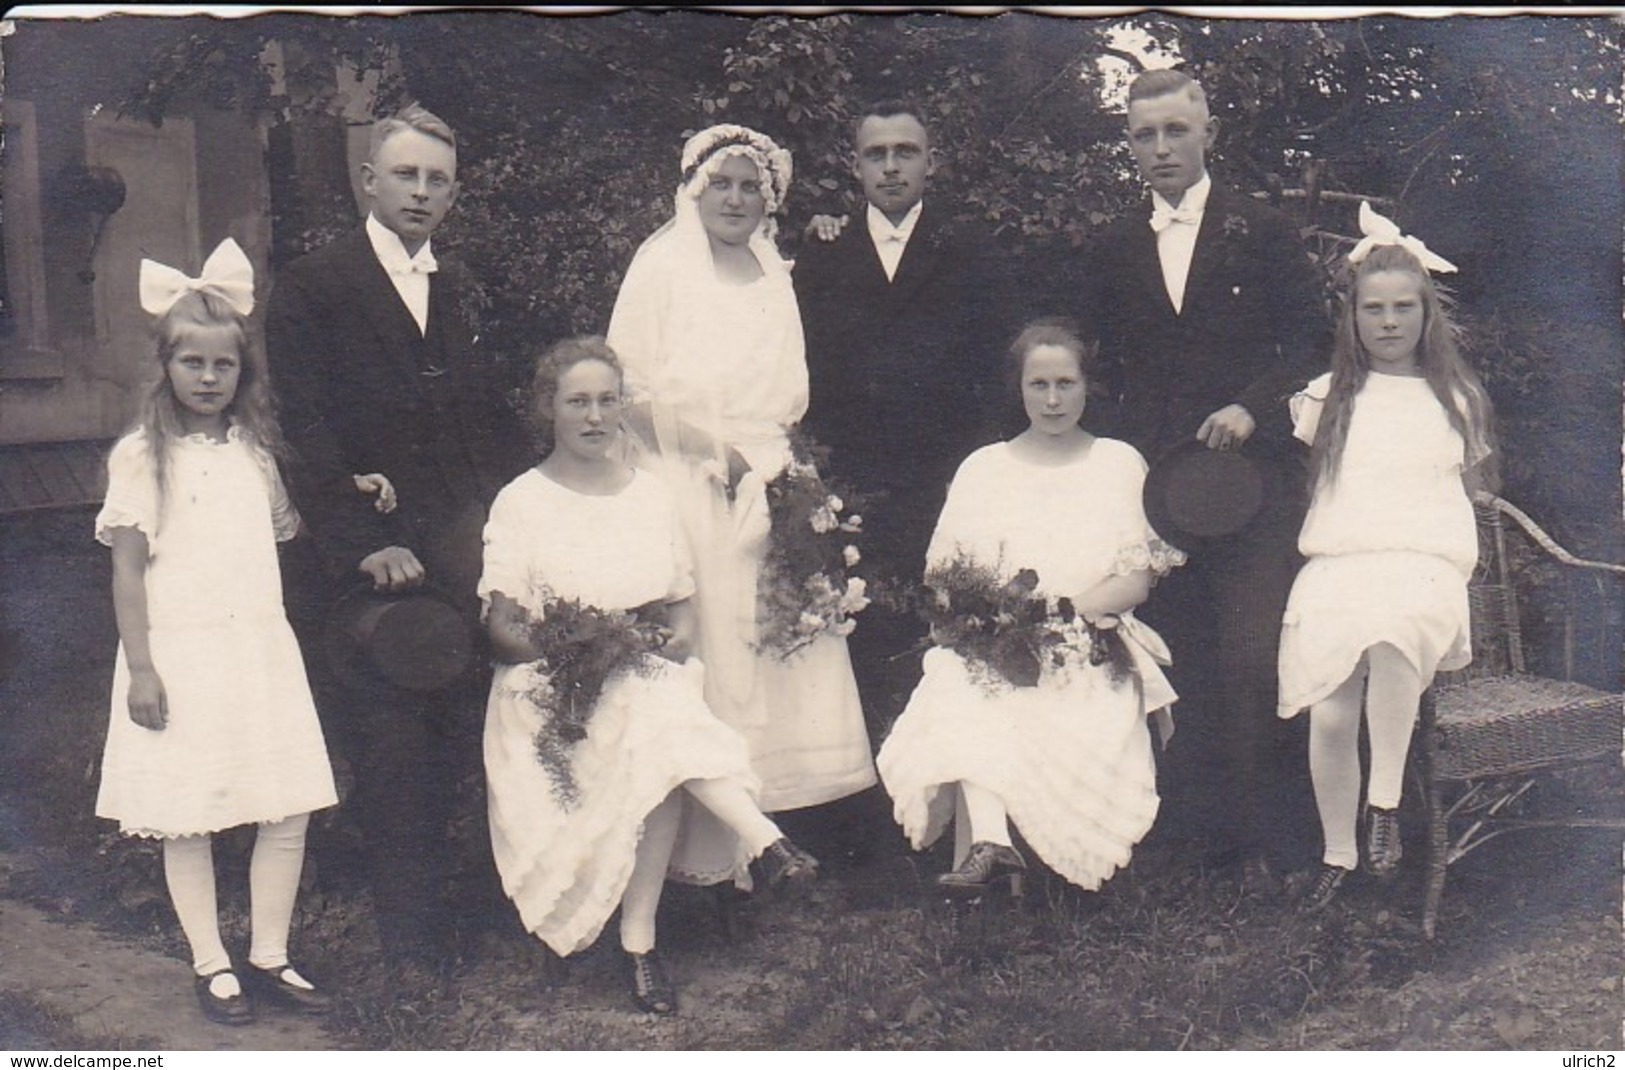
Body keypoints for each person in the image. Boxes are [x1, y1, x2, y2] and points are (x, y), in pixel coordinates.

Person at [480, 337, 819, 1015]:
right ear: (548, 408)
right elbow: (501, 627)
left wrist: (652, 645)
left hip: (639, 679)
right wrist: (578, 653)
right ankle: (763, 843)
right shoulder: (520, 501)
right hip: (553, 689)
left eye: (608, 401)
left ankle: (641, 939)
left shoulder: (650, 496)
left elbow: (682, 612)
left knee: (654, 713)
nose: (595, 416)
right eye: (578, 402)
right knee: (656, 718)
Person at [266, 103, 524, 969]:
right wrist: (355, 540)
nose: (421, 191)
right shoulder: (314, 284)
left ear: (453, 194)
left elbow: (481, 424)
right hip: (366, 557)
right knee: (393, 739)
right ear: (367, 181)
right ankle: (412, 942)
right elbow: (300, 422)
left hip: (456, 544)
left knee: (463, 727)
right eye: (405, 175)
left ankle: (475, 907)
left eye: (437, 179)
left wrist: (503, 522)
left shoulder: (453, 287)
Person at [606, 124, 877, 889]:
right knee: (711, 650)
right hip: (687, 480)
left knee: (782, 642)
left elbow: (789, 393)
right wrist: (712, 453)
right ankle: (707, 857)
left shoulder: (771, 272)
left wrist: (790, 482)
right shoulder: (660, 267)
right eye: (720, 184)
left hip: (770, 477)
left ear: (769, 199)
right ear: (694, 191)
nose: (735, 198)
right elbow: (625, 393)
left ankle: (781, 830)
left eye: (749, 186)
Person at [1080, 69, 1331, 889]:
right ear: (1128, 144)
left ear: (1206, 133)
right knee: (1173, 655)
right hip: (1161, 495)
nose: (1159, 148)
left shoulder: (1261, 232)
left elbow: (1312, 342)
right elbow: (1102, 366)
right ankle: (1188, 835)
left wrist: (1253, 408)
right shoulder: (1112, 246)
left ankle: (1265, 841)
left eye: (1174, 131)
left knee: (1251, 655)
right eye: (1143, 135)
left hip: (1255, 490)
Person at [96, 239, 337, 1025]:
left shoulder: (255, 454)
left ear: (243, 374)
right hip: (181, 652)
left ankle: (270, 952)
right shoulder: (142, 458)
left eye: (222, 365)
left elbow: (278, 539)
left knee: (284, 803)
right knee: (189, 809)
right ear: (165, 367)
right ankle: (211, 960)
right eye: (191, 363)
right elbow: (128, 570)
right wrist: (141, 669)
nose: (207, 378)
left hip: (257, 649)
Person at [876, 321, 1186, 897]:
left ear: (1086, 387)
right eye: (1037, 384)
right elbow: (946, 582)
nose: (1051, 399)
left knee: (992, 693)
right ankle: (993, 844)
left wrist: (1056, 616)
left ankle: (994, 854)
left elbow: (1135, 581)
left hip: (1089, 638)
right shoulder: (983, 468)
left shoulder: (1118, 462)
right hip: (1000, 642)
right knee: (956, 677)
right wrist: (995, 625)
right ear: (1017, 388)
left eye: (1065, 383)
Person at [1278, 207, 1496, 910]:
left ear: (1427, 317)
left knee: (1394, 633)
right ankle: (1339, 853)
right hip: (1342, 565)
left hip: (1422, 564)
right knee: (1333, 711)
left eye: (1404, 308)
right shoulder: (1327, 399)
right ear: (1351, 319)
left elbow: (1458, 494)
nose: (1389, 322)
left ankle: (1384, 803)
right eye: (1374, 309)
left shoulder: (1452, 400)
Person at [792, 101, 1009, 739]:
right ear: (855, 166)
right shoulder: (824, 253)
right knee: (861, 643)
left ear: (929, 162)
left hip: (943, 481)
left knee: (946, 639)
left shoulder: (970, 248)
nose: (891, 167)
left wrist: (973, 475)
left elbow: (996, 369)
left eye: (905, 152)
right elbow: (802, 371)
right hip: (852, 488)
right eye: (876, 154)